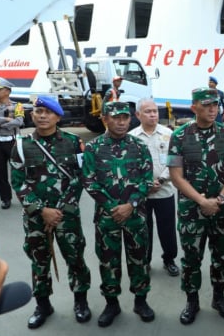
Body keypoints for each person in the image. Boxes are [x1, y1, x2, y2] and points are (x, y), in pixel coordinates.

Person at [10, 96, 91, 329]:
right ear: (32, 115)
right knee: (39, 261)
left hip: (67, 215)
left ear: (58, 116)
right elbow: (18, 182)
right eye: (38, 111)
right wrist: (41, 210)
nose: (42, 116)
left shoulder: (74, 143)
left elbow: (80, 178)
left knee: (75, 258)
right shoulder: (22, 145)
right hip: (36, 217)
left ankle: (81, 302)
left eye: (48, 112)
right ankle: (43, 305)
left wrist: (60, 210)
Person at [167, 87, 224, 325]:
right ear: (193, 108)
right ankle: (192, 301)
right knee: (191, 258)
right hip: (191, 211)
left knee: (222, 256)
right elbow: (176, 176)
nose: (212, 109)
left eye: (216, 104)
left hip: (221, 210)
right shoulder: (178, 136)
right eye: (207, 105)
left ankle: (219, 297)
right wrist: (201, 201)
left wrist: (219, 200)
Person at [82, 101, 155, 327]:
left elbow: (146, 180)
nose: (121, 122)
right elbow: (89, 181)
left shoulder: (140, 146)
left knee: (139, 259)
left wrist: (131, 205)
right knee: (108, 261)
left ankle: (140, 301)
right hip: (107, 217)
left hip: (135, 216)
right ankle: (111, 303)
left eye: (125, 118)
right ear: (105, 119)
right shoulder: (93, 148)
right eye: (115, 117)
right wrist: (114, 207)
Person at [129, 98, 180, 277]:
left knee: (167, 229)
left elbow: (174, 160)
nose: (153, 115)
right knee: (144, 229)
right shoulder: (132, 137)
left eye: (155, 111)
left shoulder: (168, 134)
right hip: (141, 194)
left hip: (164, 190)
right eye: (148, 112)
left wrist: (162, 179)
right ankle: (146, 260)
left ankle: (169, 259)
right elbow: (130, 166)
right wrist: (145, 185)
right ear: (138, 115)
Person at [0, 76, 24, 209]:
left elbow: (19, 122)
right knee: (0, 173)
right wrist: (6, 119)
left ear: (7, 91)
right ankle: (6, 198)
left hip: (12, 141)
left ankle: (24, 195)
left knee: (18, 171)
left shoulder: (17, 106)